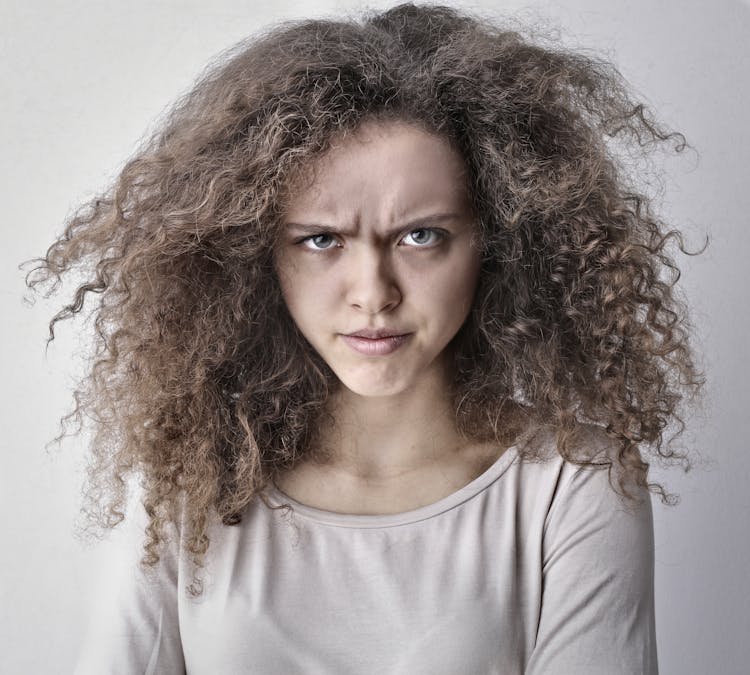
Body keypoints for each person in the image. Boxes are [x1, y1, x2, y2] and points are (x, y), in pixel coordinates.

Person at [26, 3, 703, 673]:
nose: (373, 291)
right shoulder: (189, 482)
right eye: (322, 240)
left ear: (495, 243)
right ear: (258, 256)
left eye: (421, 235)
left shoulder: (574, 482)